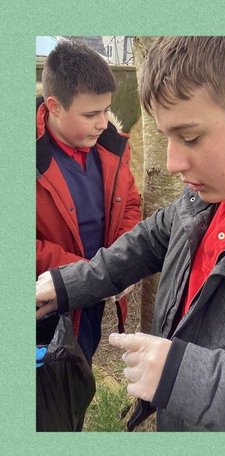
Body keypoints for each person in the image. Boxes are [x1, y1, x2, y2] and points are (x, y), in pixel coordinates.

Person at [35, 36, 225, 432]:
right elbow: (149, 238)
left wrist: (183, 377)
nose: (171, 163)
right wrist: (67, 283)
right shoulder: (208, 192)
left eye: (190, 137)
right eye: (166, 136)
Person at [36, 40, 142, 370]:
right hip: (43, 307)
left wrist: (118, 264)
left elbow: (130, 204)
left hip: (92, 302)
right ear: (54, 107)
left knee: (76, 385)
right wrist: (85, 274)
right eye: (91, 114)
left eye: (106, 110)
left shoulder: (110, 147)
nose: (102, 122)